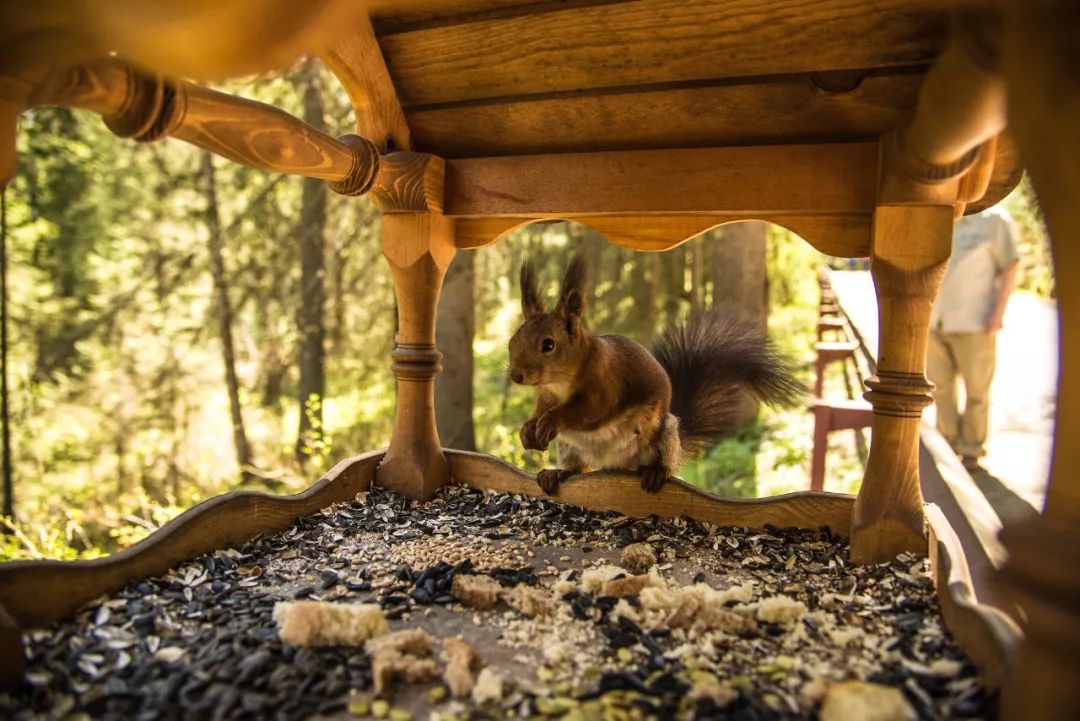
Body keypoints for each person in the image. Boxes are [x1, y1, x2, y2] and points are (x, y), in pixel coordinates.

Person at [927, 206, 1020, 469]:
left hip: (975, 322)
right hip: (935, 320)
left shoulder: (994, 221)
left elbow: (1010, 266)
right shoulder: (937, 218)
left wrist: (998, 313)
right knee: (939, 387)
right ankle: (947, 445)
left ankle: (971, 452)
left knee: (977, 390)